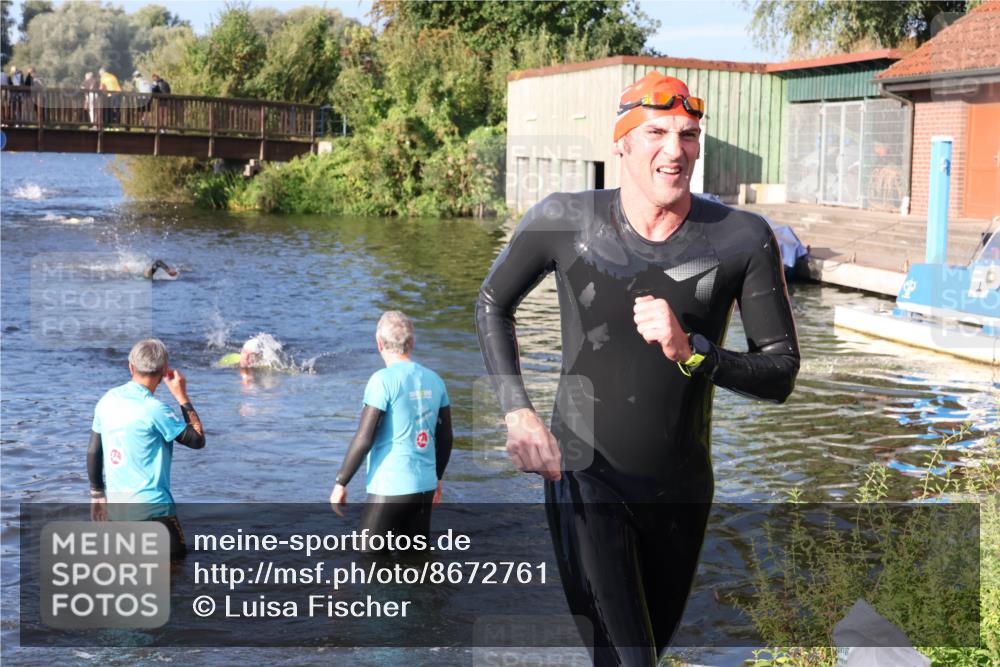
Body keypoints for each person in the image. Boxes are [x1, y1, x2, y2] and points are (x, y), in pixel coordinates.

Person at [475, 72, 799, 664]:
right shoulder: (565, 220)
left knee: (642, 650)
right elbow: (493, 303)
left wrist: (693, 351)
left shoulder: (741, 238)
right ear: (620, 143)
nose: (674, 151)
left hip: (681, 490)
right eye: (656, 132)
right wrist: (517, 412)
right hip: (583, 475)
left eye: (689, 135)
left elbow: (780, 373)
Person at [329, 311, 453, 542]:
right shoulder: (435, 380)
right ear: (412, 342)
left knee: (369, 562)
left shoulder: (382, 380)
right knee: (416, 563)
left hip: (389, 487)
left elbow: (365, 437)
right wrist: (437, 478)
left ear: (379, 343)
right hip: (424, 487)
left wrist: (341, 482)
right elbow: (446, 438)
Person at [87, 338, 206, 559]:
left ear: (130, 366)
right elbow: (197, 440)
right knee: (176, 572)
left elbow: (94, 450)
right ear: (163, 372)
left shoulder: (107, 400)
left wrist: (97, 494)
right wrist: (182, 396)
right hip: (154, 511)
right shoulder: (156, 410)